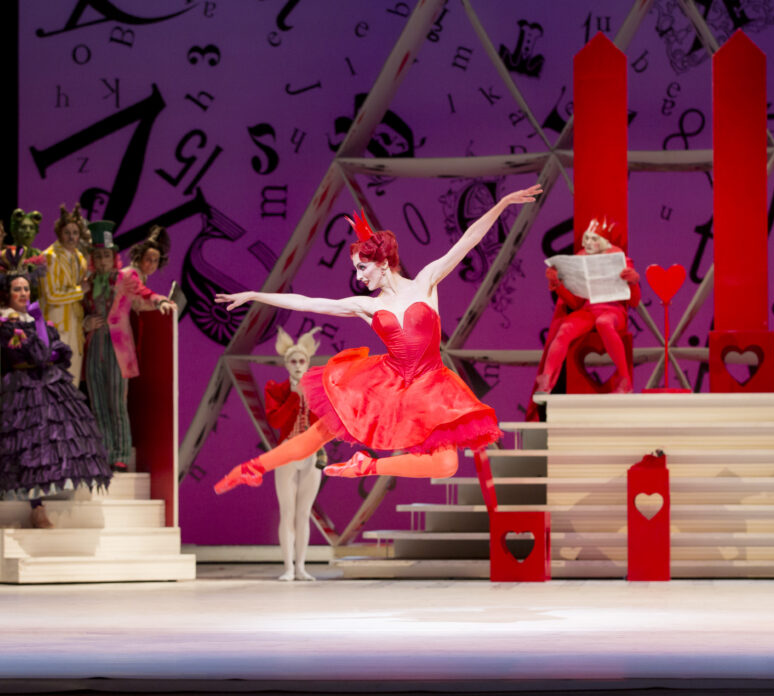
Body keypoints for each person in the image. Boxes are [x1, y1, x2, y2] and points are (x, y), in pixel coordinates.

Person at [213, 183, 542, 492]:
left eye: (361, 268)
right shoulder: (366, 306)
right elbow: (308, 303)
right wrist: (257, 294)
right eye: (356, 269)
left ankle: (367, 467)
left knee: (445, 464)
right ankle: (254, 466)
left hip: (430, 385)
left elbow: (467, 241)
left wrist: (501, 205)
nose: (357, 277)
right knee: (319, 433)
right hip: (385, 382)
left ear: (383, 263)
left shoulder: (425, 282)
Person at [0, 246, 111, 528]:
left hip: (47, 382)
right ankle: (35, 507)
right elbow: (39, 353)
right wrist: (40, 335)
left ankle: (51, 496)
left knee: (64, 433)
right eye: (17, 289)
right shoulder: (6, 324)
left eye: (27, 288)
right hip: (22, 387)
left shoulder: (32, 319)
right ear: (8, 294)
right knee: (31, 442)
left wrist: (41, 333)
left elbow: (59, 352)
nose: (24, 294)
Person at [82, 223, 176, 471]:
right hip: (95, 346)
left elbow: (143, 292)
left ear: (113, 257)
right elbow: (75, 310)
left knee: (116, 402)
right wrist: (85, 323)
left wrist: (160, 300)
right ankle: (103, 452)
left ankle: (121, 454)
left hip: (117, 347)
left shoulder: (124, 277)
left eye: (106, 255)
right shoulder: (87, 284)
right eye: (98, 256)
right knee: (98, 403)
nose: (102, 260)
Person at [528, 217, 641, 414]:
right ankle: (545, 382)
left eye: (594, 239)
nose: (588, 243)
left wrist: (633, 282)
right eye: (586, 238)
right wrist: (558, 285)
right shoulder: (580, 257)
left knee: (604, 322)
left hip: (613, 311)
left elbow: (634, 302)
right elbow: (575, 303)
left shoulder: (620, 258)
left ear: (604, 242)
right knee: (565, 329)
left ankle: (625, 381)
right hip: (588, 310)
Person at [266, 326, 325, 581]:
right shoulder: (275, 389)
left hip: (311, 454)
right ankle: (288, 567)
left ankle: (300, 566)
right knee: (287, 511)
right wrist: (294, 396)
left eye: (302, 361)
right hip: (287, 453)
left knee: (304, 513)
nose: (298, 366)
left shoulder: (317, 389)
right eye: (293, 361)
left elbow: (324, 422)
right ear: (286, 364)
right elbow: (276, 421)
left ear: (308, 362)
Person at [42, 203, 90, 385]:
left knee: (74, 379)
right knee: (56, 377)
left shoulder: (80, 258)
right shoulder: (50, 256)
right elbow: (52, 295)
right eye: (67, 232)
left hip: (75, 325)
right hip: (57, 323)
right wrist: (79, 291)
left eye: (75, 232)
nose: (71, 237)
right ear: (59, 233)